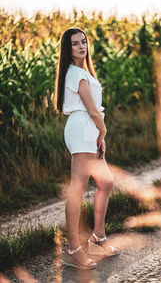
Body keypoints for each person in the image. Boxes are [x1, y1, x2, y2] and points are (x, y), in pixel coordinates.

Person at [54, 27, 119, 270]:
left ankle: (98, 235)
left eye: (83, 42)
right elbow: (92, 110)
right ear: (67, 48)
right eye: (75, 43)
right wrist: (102, 132)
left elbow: (94, 111)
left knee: (107, 182)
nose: (82, 46)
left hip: (89, 129)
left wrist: (99, 135)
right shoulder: (73, 73)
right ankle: (72, 248)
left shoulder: (83, 71)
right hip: (83, 128)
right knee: (78, 189)